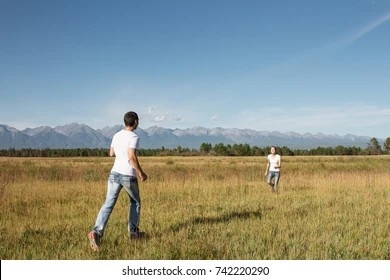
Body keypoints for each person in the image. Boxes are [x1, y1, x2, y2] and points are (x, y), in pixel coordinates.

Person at [88, 111, 148, 251]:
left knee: (108, 204)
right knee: (135, 202)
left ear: (125, 122)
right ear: (136, 122)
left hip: (114, 173)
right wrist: (141, 173)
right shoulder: (134, 136)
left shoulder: (116, 135)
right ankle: (134, 233)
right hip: (128, 175)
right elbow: (131, 156)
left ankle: (96, 232)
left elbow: (111, 153)